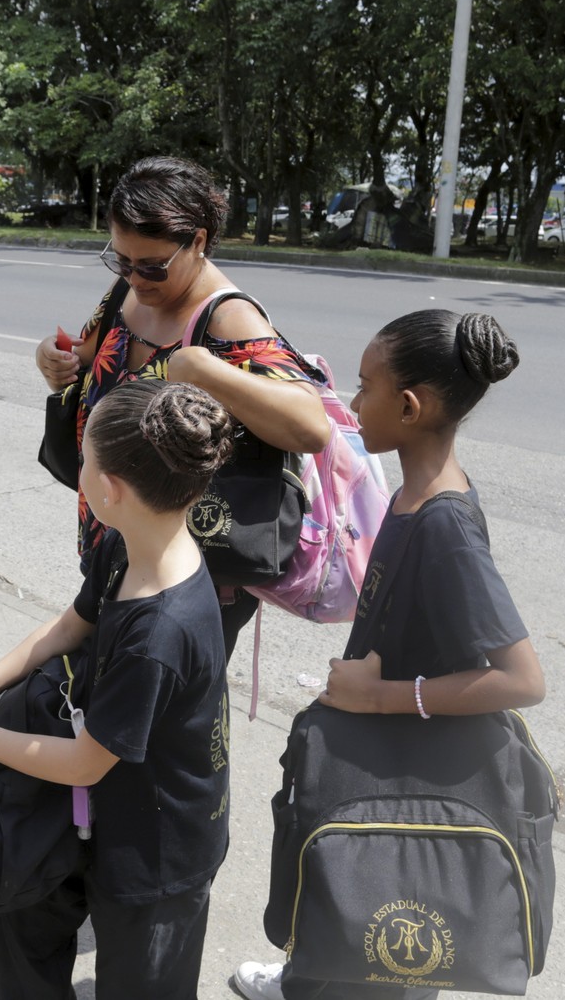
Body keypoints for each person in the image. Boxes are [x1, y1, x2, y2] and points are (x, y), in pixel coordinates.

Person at [231, 309, 547, 1000]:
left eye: (367, 386)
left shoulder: (444, 525)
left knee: (378, 946)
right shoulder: (412, 492)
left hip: (407, 773)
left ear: (409, 406)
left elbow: (523, 679)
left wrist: (381, 697)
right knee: (349, 922)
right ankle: (303, 978)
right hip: (385, 756)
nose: (352, 401)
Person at [0, 380, 235, 1000]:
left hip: (157, 853)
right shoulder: (125, 546)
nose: (82, 472)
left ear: (111, 490)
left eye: (86, 460)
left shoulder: (159, 633)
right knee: (27, 935)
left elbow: (86, 761)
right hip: (92, 812)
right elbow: (70, 625)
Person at [34, 155, 330, 658]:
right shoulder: (129, 291)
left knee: (156, 710)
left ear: (197, 241)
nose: (136, 277)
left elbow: (311, 426)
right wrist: (52, 356)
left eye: (152, 265)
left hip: (187, 571)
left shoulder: (230, 319)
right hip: (115, 538)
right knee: (104, 692)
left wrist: (204, 369)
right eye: (121, 260)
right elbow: (87, 354)